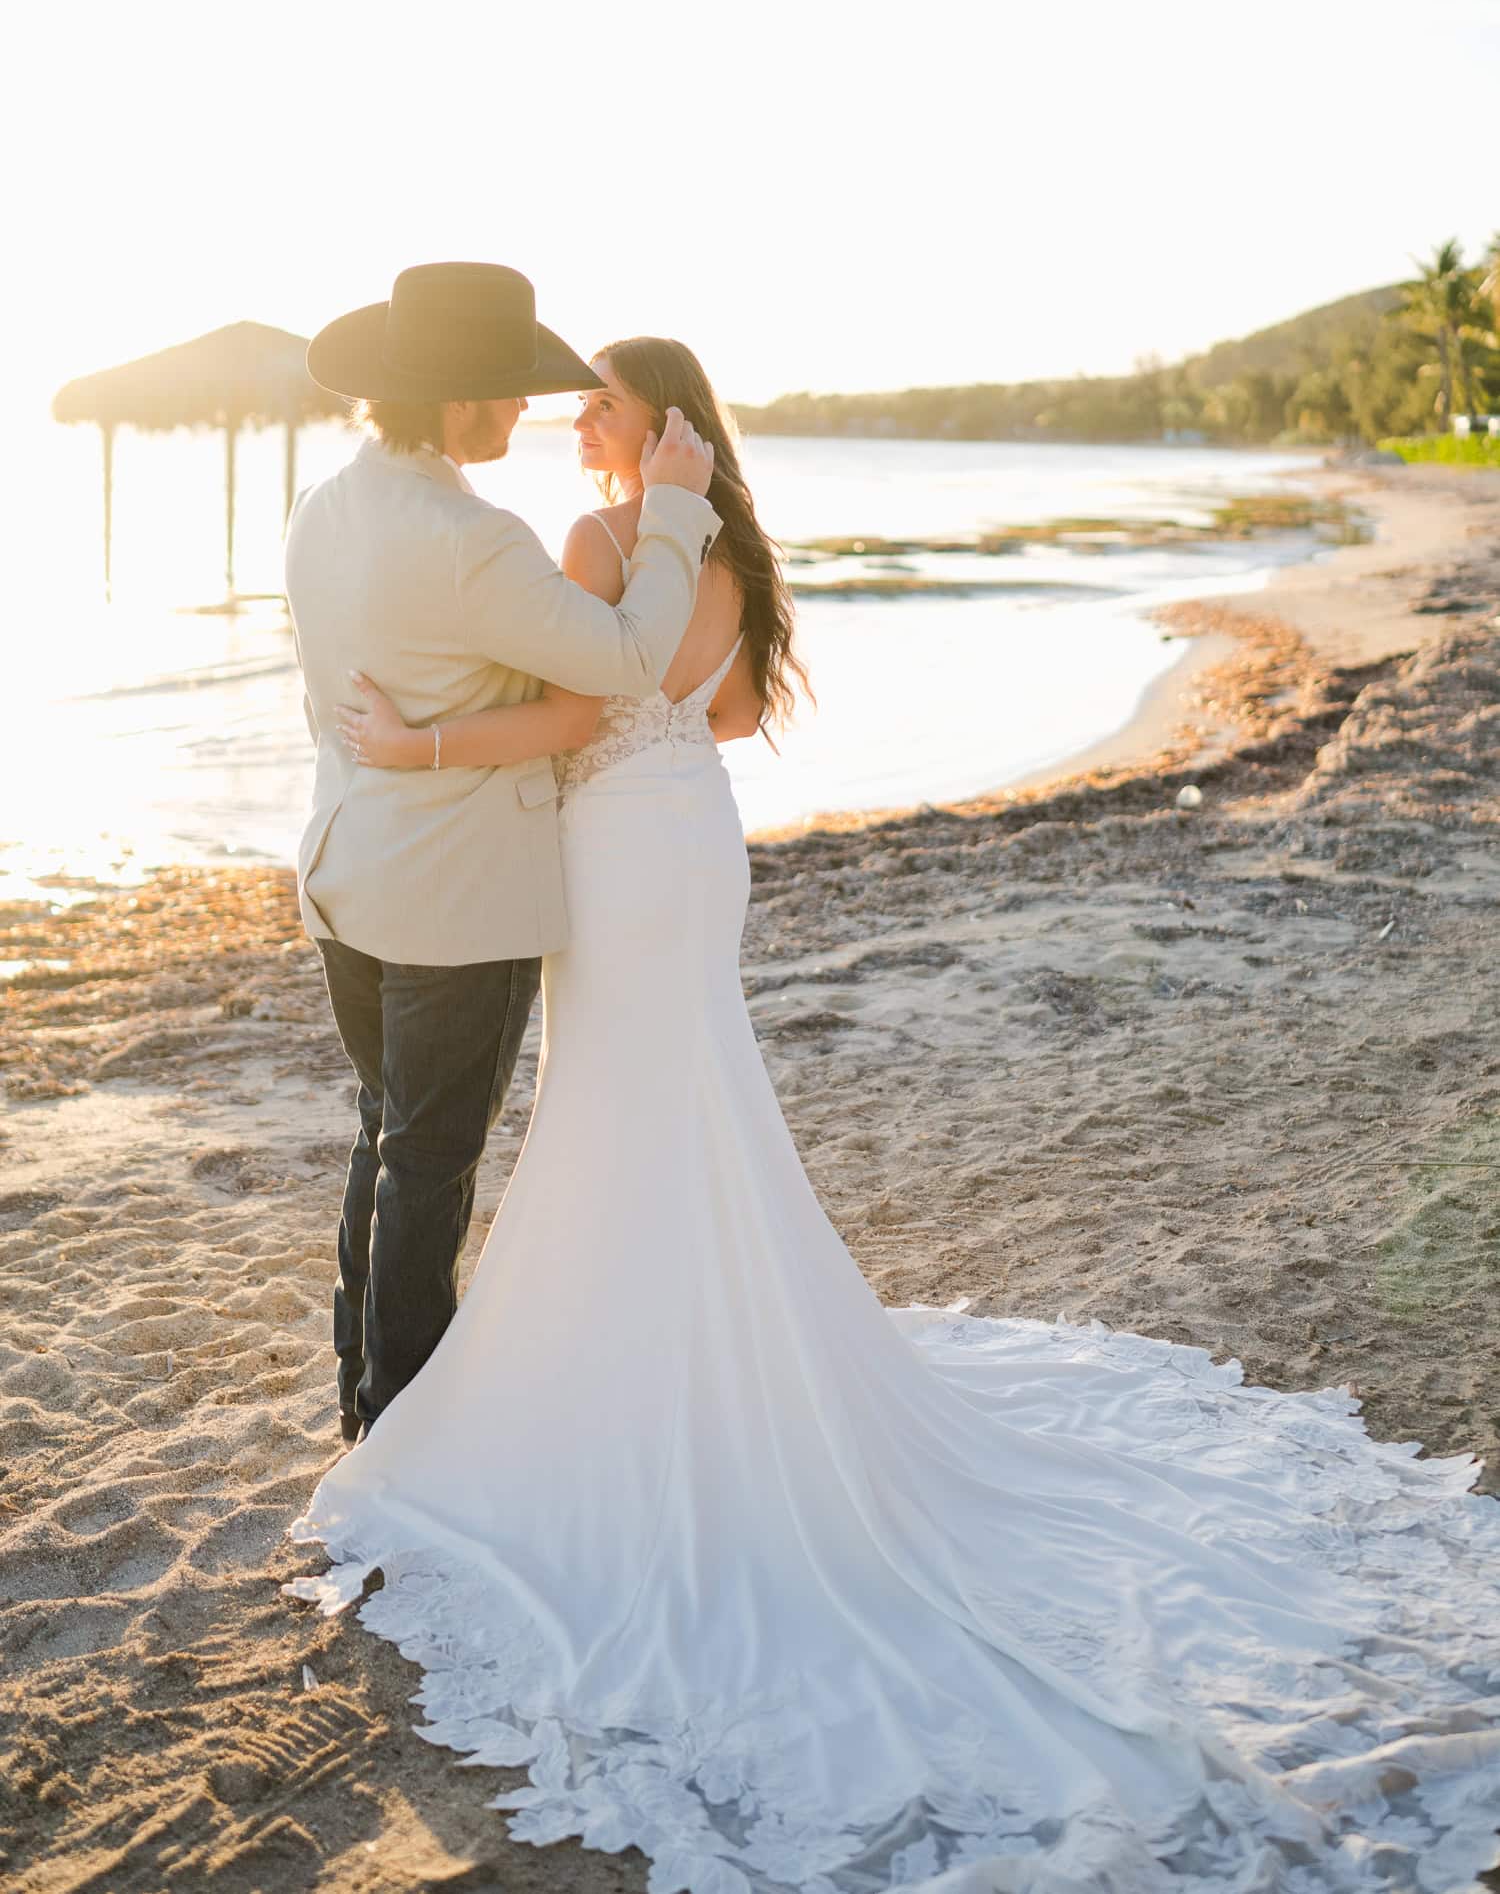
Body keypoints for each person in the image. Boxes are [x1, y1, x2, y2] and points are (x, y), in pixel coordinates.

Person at [287, 337, 1500, 1894]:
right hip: (689, 847)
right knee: (678, 1109)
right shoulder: (719, 540)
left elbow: (590, 712)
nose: (570, 419)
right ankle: (660, 1347)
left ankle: (584, 1374)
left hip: (615, 858)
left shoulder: (608, 539)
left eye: (595, 401)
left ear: (657, 425)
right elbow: (711, 719)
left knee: (612, 1117)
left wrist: (425, 745)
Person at [284, 266, 719, 1448]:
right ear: (459, 398)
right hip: (453, 902)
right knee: (429, 1163)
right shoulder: (478, 541)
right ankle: (403, 1424)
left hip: (344, 872)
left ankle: (359, 1389)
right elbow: (629, 658)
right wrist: (676, 509)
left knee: (386, 1133)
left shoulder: (324, 504)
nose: (526, 413)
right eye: (512, 393)